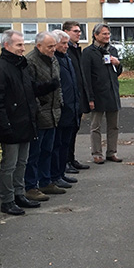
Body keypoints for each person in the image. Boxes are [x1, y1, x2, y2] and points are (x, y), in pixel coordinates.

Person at [0, 30, 43, 215]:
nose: (23, 48)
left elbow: (29, 91)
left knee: (22, 162)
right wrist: (4, 125)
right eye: (19, 45)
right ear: (7, 45)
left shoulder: (21, 66)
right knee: (9, 164)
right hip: (10, 125)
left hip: (25, 122)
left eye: (23, 44)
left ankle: (19, 193)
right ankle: (7, 199)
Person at [24, 31, 66, 199]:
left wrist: (60, 103)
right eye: (50, 47)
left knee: (48, 150)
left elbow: (58, 84)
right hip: (40, 113)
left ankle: (45, 181)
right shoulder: (30, 61)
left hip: (54, 111)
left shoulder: (53, 59)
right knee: (35, 153)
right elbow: (31, 89)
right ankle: (31, 185)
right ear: (38, 45)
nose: (53, 50)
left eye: (54, 46)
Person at [82, 23, 123, 164]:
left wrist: (117, 64)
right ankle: (97, 153)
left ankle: (112, 152)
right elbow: (86, 77)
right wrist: (90, 98)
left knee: (114, 126)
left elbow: (117, 73)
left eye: (108, 34)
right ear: (96, 35)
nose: (107, 36)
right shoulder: (88, 52)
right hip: (97, 94)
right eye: (104, 34)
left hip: (112, 93)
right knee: (96, 126)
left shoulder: (112, 50)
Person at [50, 30, 81, 187]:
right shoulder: (54, 60)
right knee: (57, 145)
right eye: (63, 43)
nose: (66, 46)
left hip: (71, 107)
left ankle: (61, 172)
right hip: (60, 109)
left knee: (65, 144)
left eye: (66, 43)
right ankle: (55, 175)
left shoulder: (67, 58)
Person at [62, 21, 90, 173]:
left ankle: (71, 159)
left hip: (77, 97)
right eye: (75, 31)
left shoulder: (76, 50)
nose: (79, 34)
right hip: (68, 99)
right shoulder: (66, 52)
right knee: (67, 132)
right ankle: (65, 161)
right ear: (65, 32)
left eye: (79, 31)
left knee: (74, 130)